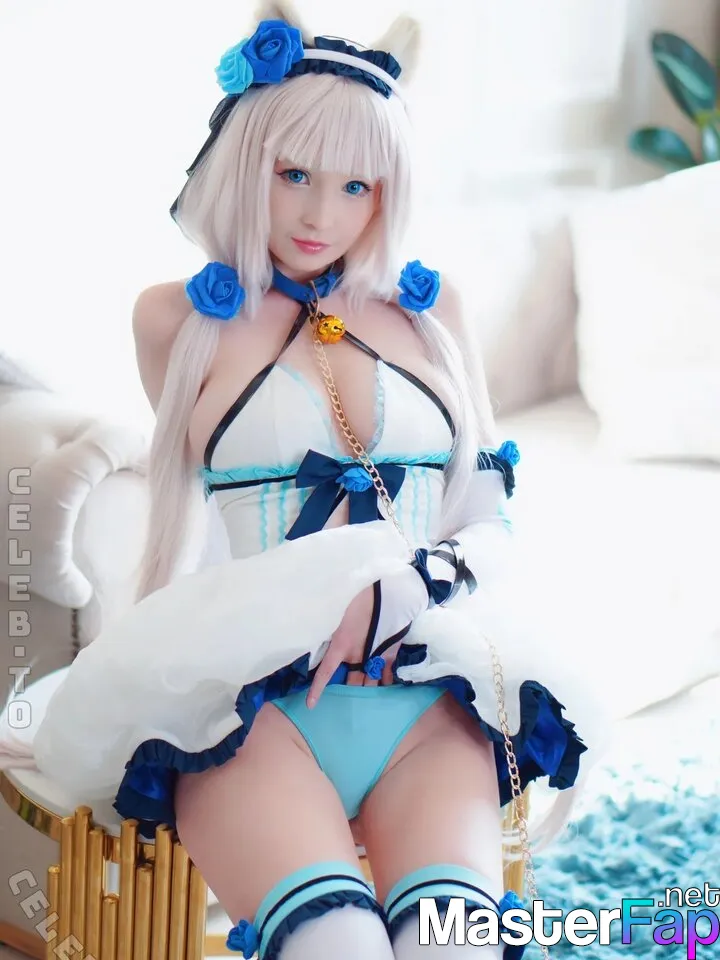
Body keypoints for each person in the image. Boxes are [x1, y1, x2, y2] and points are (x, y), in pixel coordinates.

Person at [6, 3, 605, 957]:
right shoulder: (177, 321)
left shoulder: (434, 310)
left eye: (356, 186)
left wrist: (411, 584)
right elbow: (200, 520)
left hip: (429, 700)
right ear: (247, 161)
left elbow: (490, 518)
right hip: (251, 713)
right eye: (294, 176)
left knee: (454, 944)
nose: (321, 215)